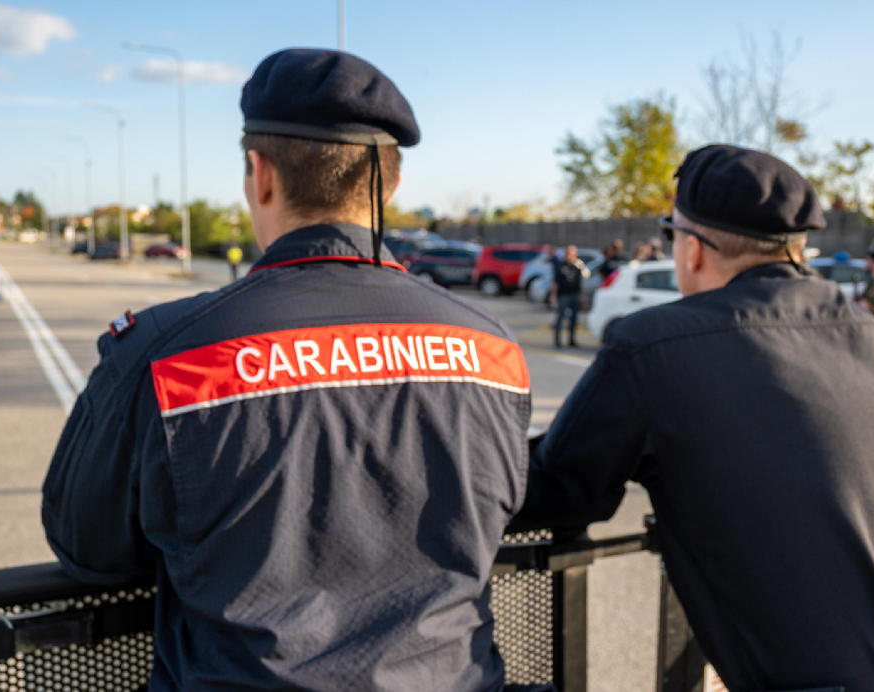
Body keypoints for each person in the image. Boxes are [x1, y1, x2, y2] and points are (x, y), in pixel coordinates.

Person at [42, 49, 536, 692]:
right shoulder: (493, 349)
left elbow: (88, 548)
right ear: (390, 186)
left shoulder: (162, 354)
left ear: (259, 173)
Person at [518, 144, 874, 692]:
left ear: (693, 250)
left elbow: (564, 485)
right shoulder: (862, 330)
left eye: (673, 232)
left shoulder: (652, 346)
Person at [550, 244, 590, 348]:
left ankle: (571, 339)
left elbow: (582, 281)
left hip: (574, 294)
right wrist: (553, 296)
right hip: (564, 294)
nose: (570, 256)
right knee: (560, 317)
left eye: (572, 254)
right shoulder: (560, 265)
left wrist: (582, 296)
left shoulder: (577, 266)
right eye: (568, 254)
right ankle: (557, 340)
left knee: (574, 319)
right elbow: (555, 282)